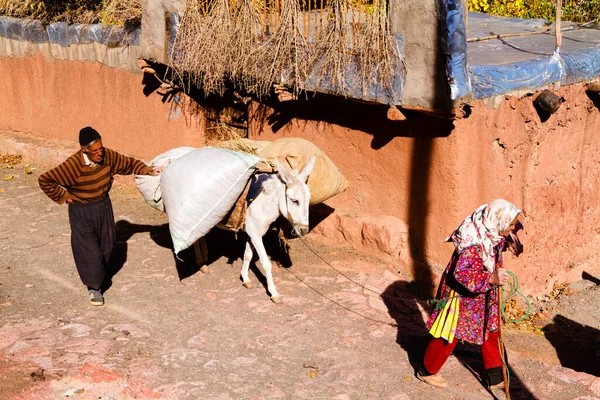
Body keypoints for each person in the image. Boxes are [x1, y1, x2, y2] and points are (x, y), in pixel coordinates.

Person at [39, 127, 163, 306]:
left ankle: (99, 274)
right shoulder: (73, 165)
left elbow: (128, 163)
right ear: (84, 150)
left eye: (101, 148)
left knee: (108, 243)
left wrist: (148, 171)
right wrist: (64, 196)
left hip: (103, 206)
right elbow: (45, 180)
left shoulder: (108, 157)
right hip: (81, 211)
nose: (99, 153)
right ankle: (94, 287)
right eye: (94, 151)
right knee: (88, 249)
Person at [416, 199, 524, 393]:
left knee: (491, 329)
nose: (512, 227)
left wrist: (512, 240)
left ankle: (495, 377)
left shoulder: (492, 230)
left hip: (484, 296)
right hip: (462, 297)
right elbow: (462, 274)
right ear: (498, 221)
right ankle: (427, 370)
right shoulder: (473, 244)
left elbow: (504, 239)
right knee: (449, 333)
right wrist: (491, 278)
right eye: (510, 224)